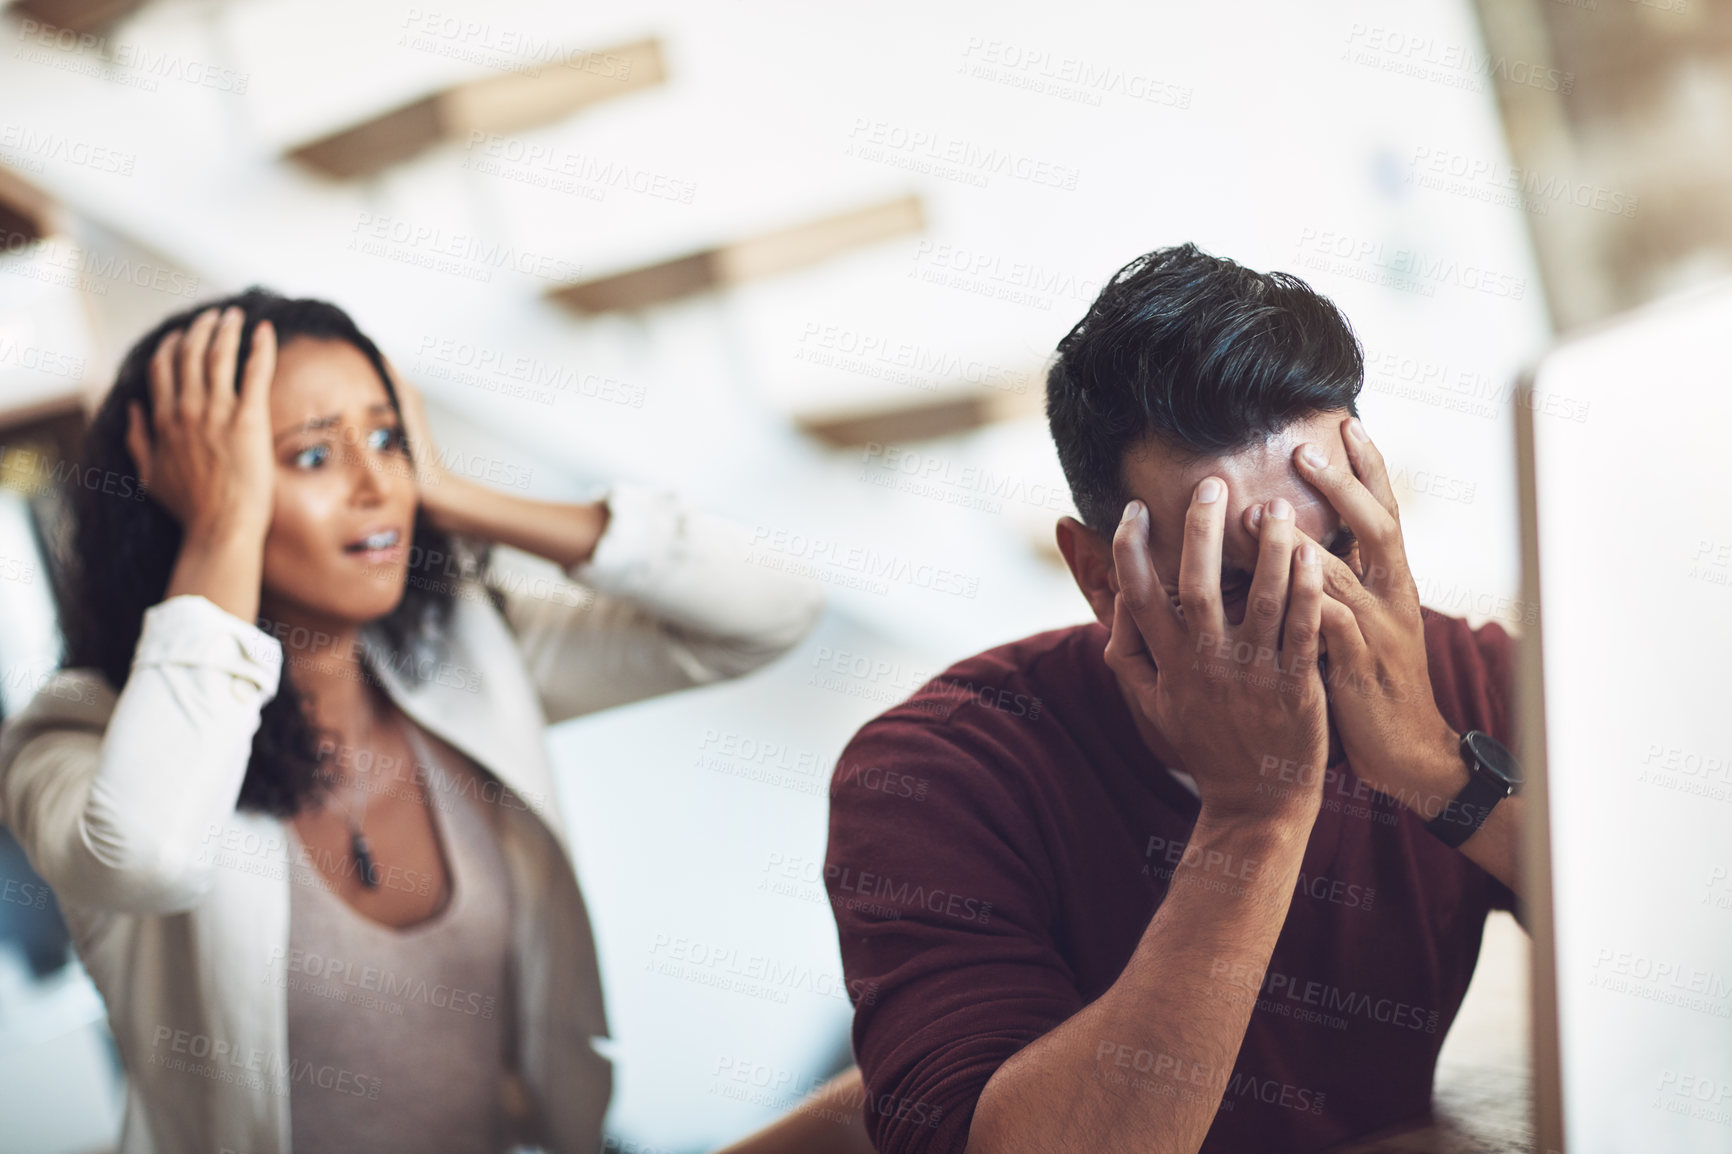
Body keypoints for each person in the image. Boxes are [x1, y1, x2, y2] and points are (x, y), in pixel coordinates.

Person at [0, 289, 869, 1154]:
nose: (378, 486)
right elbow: (147, 855)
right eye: (310, 458)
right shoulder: (73, 736)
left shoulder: (464, 654)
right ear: (192, 498)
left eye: (385, 438)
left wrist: (450, 493)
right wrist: (224, 527)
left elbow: (773, 610)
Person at [823, 243, 1527, 1154]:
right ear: (1098, 577)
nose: (1311, 620)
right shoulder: (941, 772)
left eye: (1336, 553)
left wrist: (1437, 769)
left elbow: (1682, 962)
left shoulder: (1460, 680)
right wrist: (1252, 819)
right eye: (1241, 587)